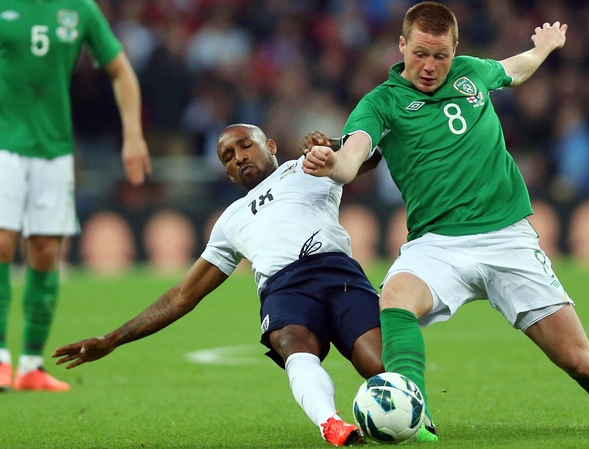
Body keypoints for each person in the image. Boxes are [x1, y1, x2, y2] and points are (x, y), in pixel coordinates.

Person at [302, 2, 589, 441]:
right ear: (401, 45)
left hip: (506, 237)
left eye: (440, 55)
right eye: (419, 54)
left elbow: (516, 68)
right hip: (436, 244)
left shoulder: (472, 73)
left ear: (455, 50)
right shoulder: (381, 104)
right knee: (394, 299)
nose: (430, 66)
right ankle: (419, 420)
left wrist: (544, 47)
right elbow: (353, 157)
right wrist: (331, 163)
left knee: (579, 360)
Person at [53, 124, 383, 447]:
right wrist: (112, 339)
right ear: (227, 173)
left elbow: (371, 155)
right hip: (284, 287)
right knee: (292, 343)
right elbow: (182, 296)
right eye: (227, 156)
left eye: (245, 145)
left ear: (270, 146)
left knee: (377, 362)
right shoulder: (229, 220)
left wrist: (331, 145)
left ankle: (412, 416)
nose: (238, 157)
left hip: (339, 273)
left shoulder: (308, 166)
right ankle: (331, 424)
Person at [0, 0, 151, 391]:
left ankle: (31, 364)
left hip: (54, 149)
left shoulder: (80, 9)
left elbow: (120, 71)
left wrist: (133, 135)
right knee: (0, 242)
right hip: (4, 143)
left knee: (47, 251)